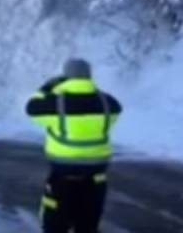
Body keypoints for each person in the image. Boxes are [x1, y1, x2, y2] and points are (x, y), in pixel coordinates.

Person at [25, 58, 123, 233]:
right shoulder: (106, 102)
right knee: (88, 221)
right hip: (96, 174)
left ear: (66, 77)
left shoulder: (56, 103)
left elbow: (32, 108)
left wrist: (47, 88)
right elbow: (116, 109)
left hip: (63, 173)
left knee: (55, 222)